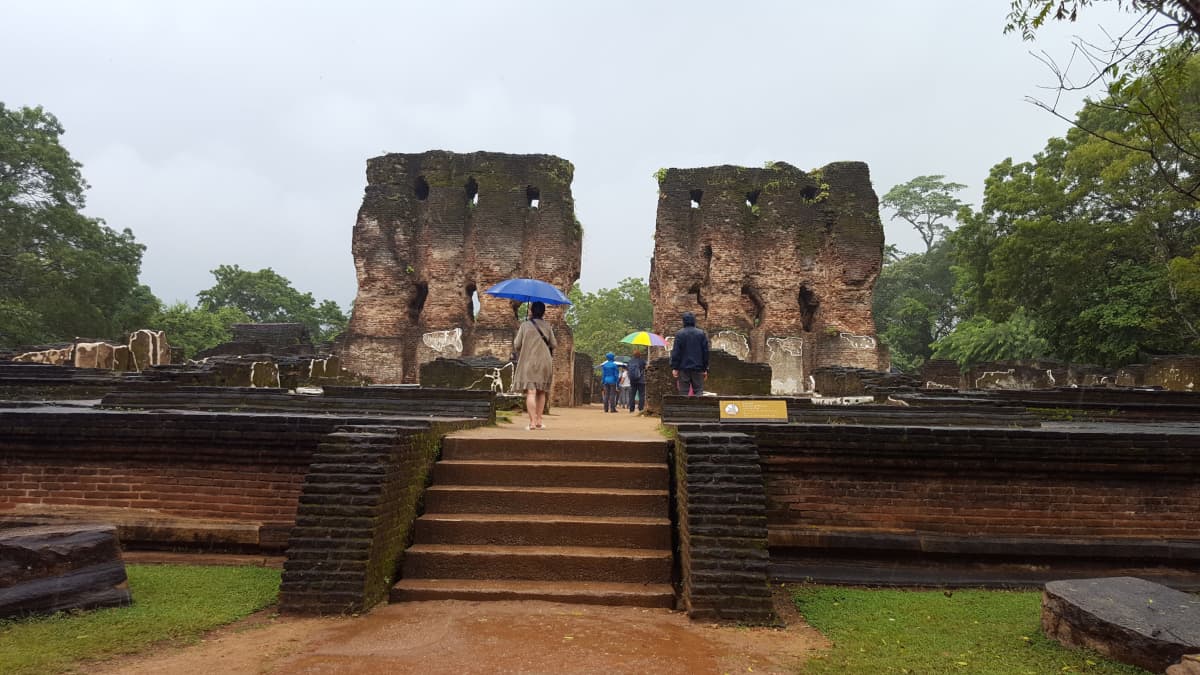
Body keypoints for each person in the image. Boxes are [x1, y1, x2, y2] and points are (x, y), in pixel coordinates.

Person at [512, 301, 556, 430]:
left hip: (529, 361)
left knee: (531, 392)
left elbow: (517, 345)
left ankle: (531, 422)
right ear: (543, 312)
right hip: (544, 361)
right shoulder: (547, 326)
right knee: (541, 392)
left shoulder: (525, 325)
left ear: (531, 310)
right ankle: (539, 420)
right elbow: (554, 344)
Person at [670, 311, 709, 396]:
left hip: (683, 368)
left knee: (683, 392)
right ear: (694, 321)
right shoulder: (701, 334)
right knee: (698, 392)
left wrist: (675, 367)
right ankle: (698, 409)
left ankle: (684, 409)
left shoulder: (679, 334)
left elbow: (676, 352)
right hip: (698, 368)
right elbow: (705, 352)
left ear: (683, 321)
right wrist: (705, 368)